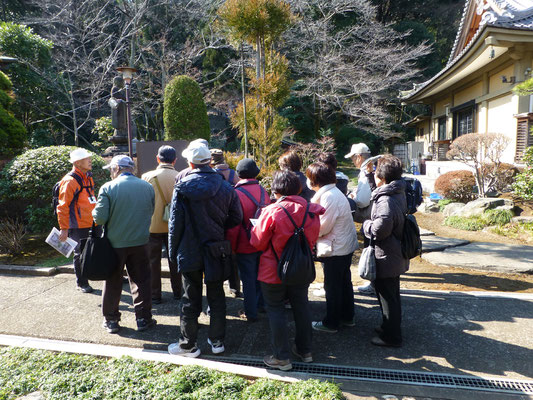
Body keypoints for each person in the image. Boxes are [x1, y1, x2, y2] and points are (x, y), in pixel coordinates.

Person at [167, 141, 242, 358]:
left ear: (190, 162)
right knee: (217, 296)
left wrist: (173, 252)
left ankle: (187, 345)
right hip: (216, 248)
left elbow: (175, 223)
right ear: (209, 161)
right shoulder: (227, 187)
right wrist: (219, 228)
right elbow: (236, 217)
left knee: (190, 298)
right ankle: (217, 341)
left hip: (188, 248)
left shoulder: (181, 187)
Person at [250, 170, 324, 371]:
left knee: (276, 310)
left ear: (275, 190)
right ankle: (305, 350)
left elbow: (257, 242)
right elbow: (313, 238)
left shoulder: (272, 211)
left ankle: (281, 357)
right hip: (301, 268)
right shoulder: (311, 210)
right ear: (298, 188)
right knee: (301, 307)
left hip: (272, 270)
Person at [93, 155, 156, 334]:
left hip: (115, 244)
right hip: (141, 241)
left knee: (113, 281)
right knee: (142, 280)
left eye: (111, 170)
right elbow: (150, 210)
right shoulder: (147, 186)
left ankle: (111, 320)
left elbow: (100, 218)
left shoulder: (108, 187)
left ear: (116, 169)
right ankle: (143, 319)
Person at [362, 155, 409, 347]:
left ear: (383, 178)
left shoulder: (386, 201)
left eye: (376, 173)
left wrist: (366, 224)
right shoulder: (396, 191)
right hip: (394, 253)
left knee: (388, 297)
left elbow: (379, 230)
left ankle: (392, 337)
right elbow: (379, 195)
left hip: (387, 255)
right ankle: (388, 327)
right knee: (390, 295)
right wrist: (369, 177)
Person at [306, 162, 358, 334]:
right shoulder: (333, 193)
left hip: (336, 248)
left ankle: (331, 323)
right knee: (343, 283)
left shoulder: (329, 197)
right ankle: (347, 317)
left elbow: (323, 227)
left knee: (333, 286)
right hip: (343, 246)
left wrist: (306, 229)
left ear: (315, 180)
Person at [226, 158, 266, 322]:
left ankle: (250, 312)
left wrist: (232, 246)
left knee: (248, 279)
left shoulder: (236, 193)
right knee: (260, 276)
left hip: (244, 243)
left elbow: (234, 225)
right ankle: (261, 305)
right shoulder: (264, 191)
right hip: (262, 240)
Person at [141, 145, 181, 304]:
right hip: (174, 225)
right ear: (175, 160)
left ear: (157, 159)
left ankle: (155, 295)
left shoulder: (146, 176)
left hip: (152, 225)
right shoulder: (180, 176)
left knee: (152, 261)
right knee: (175, 259)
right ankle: (178, 291)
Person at [56, 148, 99, 293]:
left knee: (96, 250)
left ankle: (100, 274)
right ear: (78, 163)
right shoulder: (70, 181)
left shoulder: (88, 177)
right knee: (80, 253)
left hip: (92, 221)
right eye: (87, 159)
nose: (90, 161)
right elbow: (62, 206)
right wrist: (64, 228)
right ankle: (81, 283)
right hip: (78, 224)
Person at [344, 143, 378, 295]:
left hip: (371, 218)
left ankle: (373, 284)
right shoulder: (376, 167)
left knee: (370, 250)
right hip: (380, 215)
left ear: (359, 157)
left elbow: (363, 200)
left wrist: (353, 198)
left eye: (352, 158)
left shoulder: (366, 171)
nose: (352, 161)